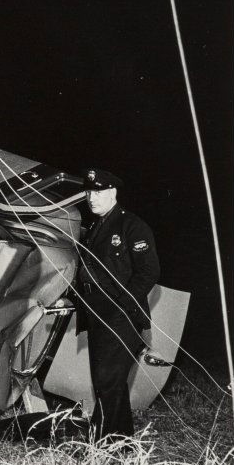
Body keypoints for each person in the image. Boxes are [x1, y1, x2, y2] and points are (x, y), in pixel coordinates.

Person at [74, 168, 160, 439]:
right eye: (88, 192)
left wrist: (121, 305)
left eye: (98, 192)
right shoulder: (96, 227)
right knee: (109, 383)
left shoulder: (131, 225)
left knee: (107, 381)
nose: (91, 198)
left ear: (113, 192)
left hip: (121, 316)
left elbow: (149, 272)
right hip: (97, 313)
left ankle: (99, 445)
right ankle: (120, 445)